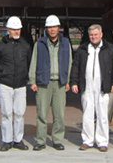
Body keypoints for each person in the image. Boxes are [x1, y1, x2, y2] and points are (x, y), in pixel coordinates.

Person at [70, 24, 113, 152]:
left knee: (102, 115)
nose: (93, 37)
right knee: (87, 114)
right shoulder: (83, 49)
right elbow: (75, 66)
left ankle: (102, 141)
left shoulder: (110, 49)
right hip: (87, 86)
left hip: (103, 86)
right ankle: (87, 141)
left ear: (101, 34)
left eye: (96, 34)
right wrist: (74, 82)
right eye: (91, 35)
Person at [0, 16, 32, 152]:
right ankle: (7, 141)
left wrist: (25, 77)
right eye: (13, 29)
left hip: (21, 85)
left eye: (18, 29)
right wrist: (1, 76)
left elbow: (29, 63)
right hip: (5, 85)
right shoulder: (0, 47)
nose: (16, 31)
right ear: (8, 30)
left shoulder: (25, 46)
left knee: (19, 113)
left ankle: (18, 140)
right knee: (6, 113)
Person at [28, 14, 72, 151]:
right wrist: (32, 80)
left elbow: (69, 62)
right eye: (50, 27)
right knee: (41, 114)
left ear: (58, 28)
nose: (52, 29)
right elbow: (34, 62)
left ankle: (57, 140)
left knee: (59, 114)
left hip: (59, 83)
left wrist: (68, 80)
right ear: (46, 29)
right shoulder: (39, 43)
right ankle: (41, 141)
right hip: (43, 83)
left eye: (54, 27)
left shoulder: (65, 43)